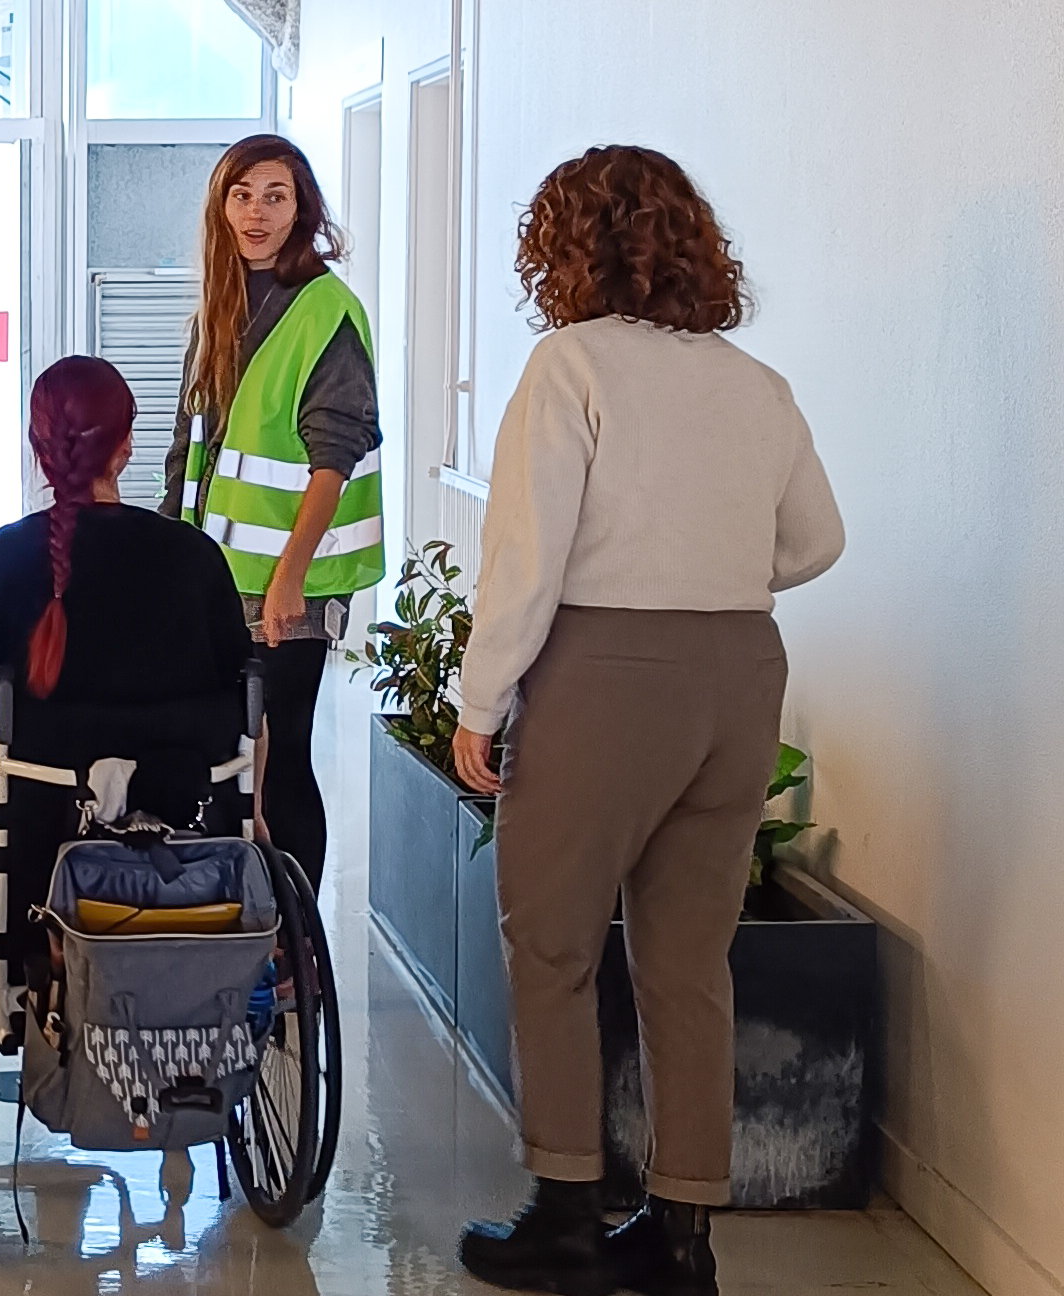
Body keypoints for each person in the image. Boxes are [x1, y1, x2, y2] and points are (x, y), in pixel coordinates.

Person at [448, 146, 844, 1295]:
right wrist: (710, 560)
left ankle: (567, 1213)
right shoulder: (754, 384)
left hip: (607, 665)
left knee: (555, 942)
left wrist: (481, 702)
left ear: (564, 248)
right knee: (688, 961)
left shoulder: (572, 367)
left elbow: (526, 557)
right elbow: (817, 542)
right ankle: (681, 1238)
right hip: (739, 671)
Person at [0, 356, 251, 932]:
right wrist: (256, 815)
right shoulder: (196, 559)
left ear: (38, 445)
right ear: (126, 443)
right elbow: (248, 704)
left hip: (43, 860)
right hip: (194, 843)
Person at [160, 134, 382, 891]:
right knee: (224, 755)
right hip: (216, 575)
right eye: (242, 194)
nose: (257, 213)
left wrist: (290, 579)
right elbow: (189, 449)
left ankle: (298, 950)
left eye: (276, 196)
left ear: (302, 208)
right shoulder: (217, 308)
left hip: (292, 581)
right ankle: (240, 924)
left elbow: (335, 455)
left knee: (281, 750)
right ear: (220, 206)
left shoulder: (326, 310)